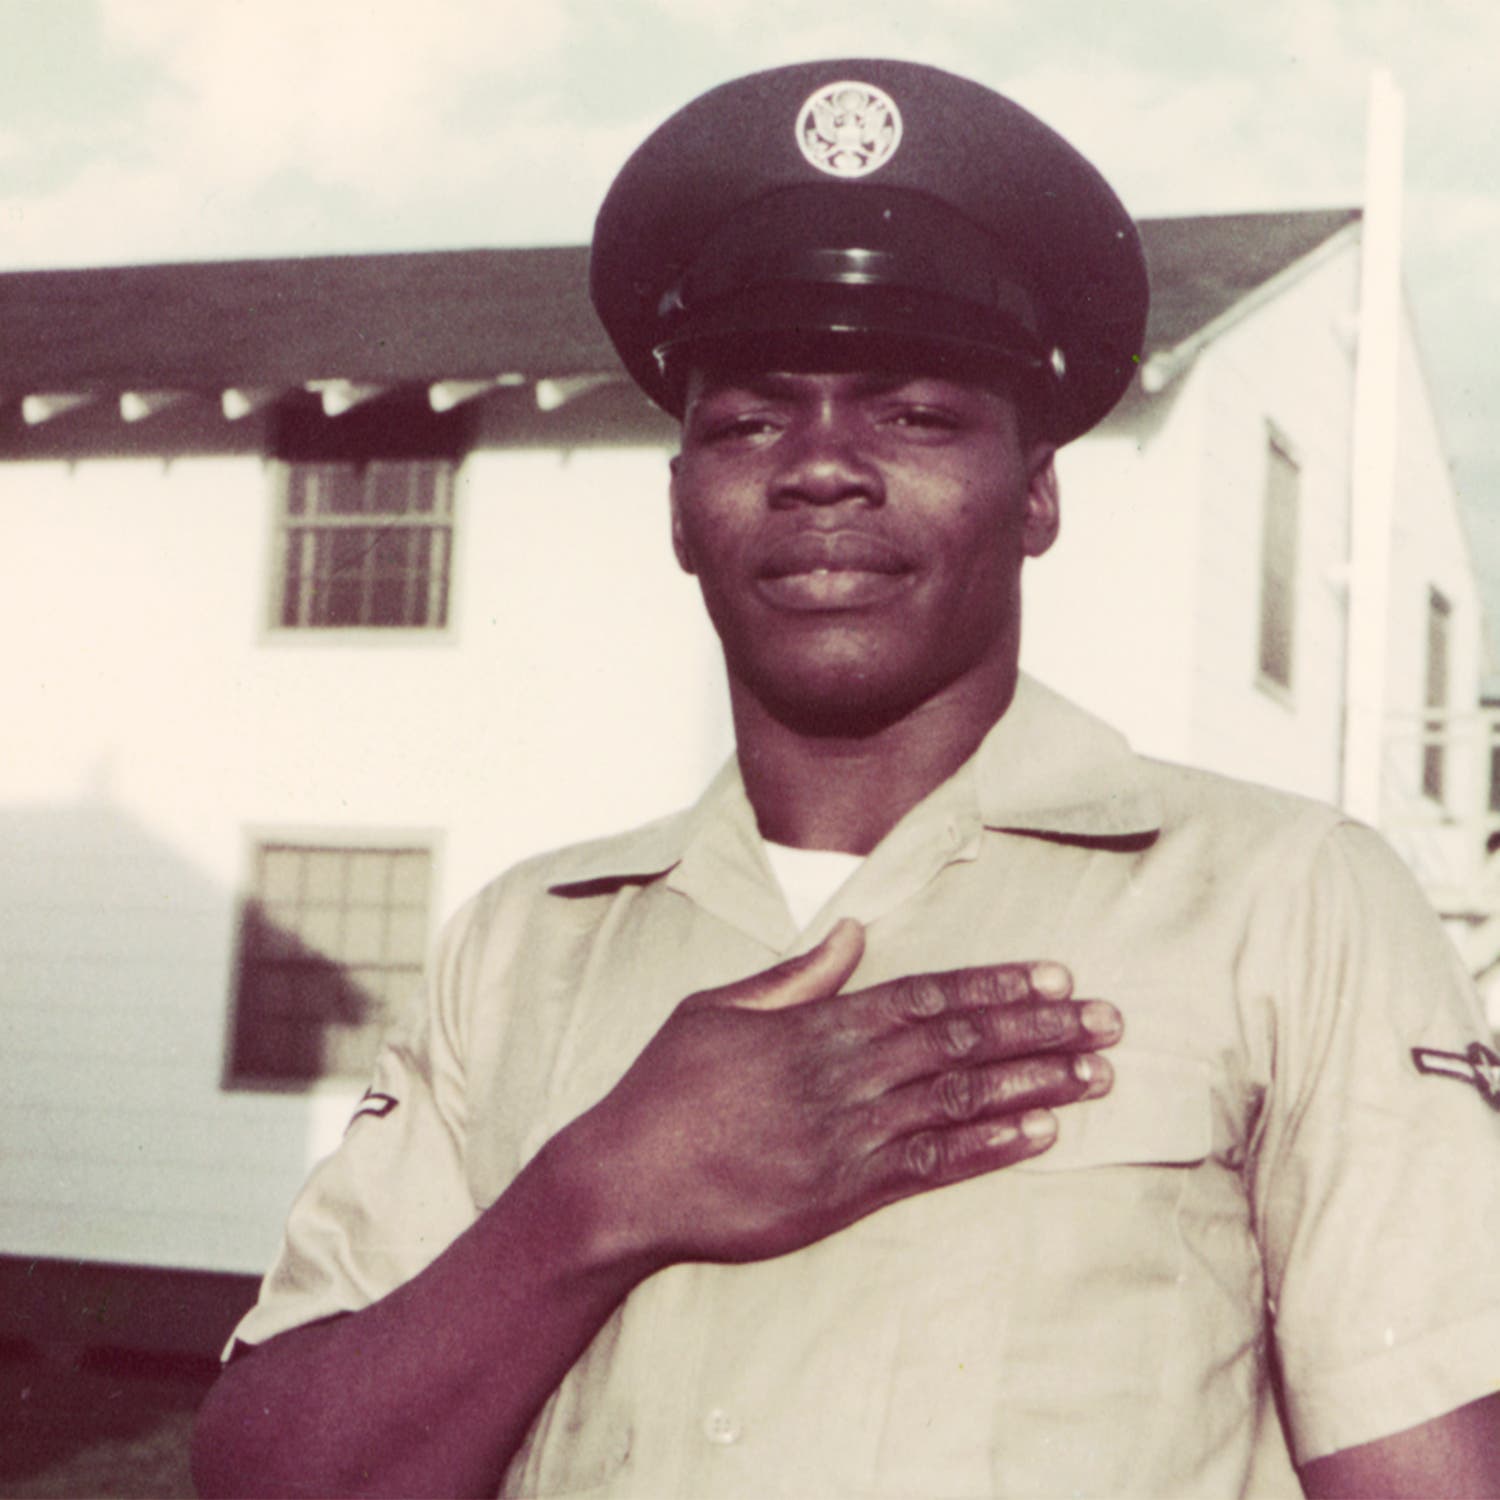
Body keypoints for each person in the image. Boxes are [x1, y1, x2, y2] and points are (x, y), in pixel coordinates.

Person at [193, 59, 1500, 1499]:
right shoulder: (525, 944)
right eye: (750, 419)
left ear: (1039, 491)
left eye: (916, 415)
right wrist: (595, 1198)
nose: (821, 468)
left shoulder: (1283, 902)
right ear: (682, 506)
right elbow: (267, 1470)